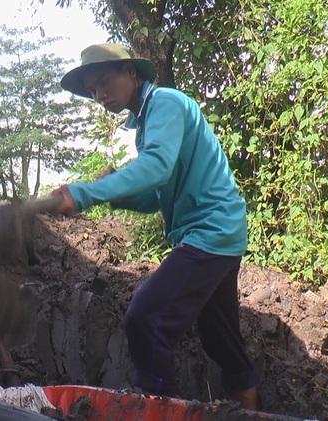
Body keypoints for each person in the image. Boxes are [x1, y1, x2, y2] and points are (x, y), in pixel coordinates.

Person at [51, 43, 259, 410]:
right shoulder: (148, 123)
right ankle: (253, 413)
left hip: (210, 232)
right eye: (92, 90)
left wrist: (86, 193)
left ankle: (158, 409)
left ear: (132, 73)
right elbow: (160, 193)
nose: (99, 95)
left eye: (104, 82)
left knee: (147, 320)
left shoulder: (165, 103)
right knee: (221, 340)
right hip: (221, 232)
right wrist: (120, 196)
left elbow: (157, 167)